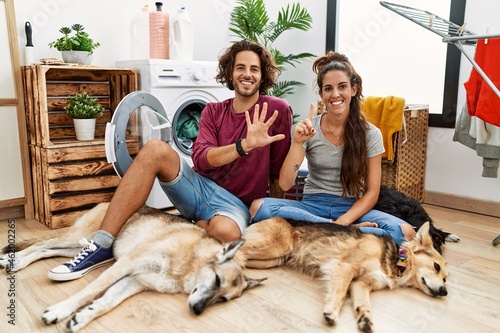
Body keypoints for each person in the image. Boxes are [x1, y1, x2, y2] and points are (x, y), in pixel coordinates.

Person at [48, 39, 293, 281]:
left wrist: (274, 223)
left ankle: (192, 225)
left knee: (225, 233)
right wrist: (244, 146)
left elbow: (277, 173)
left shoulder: (277, 110)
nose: (247, 74)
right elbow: (201, 160)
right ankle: (100, 246)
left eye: (254, 69)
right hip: (199, 188)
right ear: (230, 72)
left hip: (235, 205)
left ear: (263, 76)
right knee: (155, 149)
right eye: (240, 67)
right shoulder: (213, 111)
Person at [249, 51, 415, 246]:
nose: (335, 94)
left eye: (342, 86)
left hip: (352, 208)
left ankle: (321, 231)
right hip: (312, 206)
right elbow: (285, 184)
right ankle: (346, 231)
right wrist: (297, 142)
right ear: (321, 94)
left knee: (406, 232)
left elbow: (372, 194)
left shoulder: (371, 134)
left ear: (353, 89)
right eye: (328, 88)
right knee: (258, 207)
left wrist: (344, 220)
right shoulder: (309, 129)